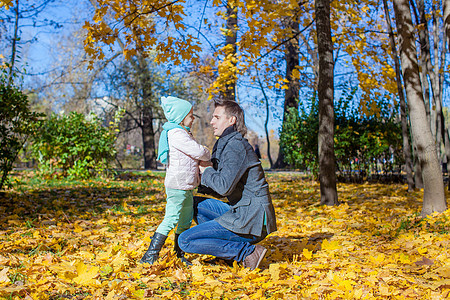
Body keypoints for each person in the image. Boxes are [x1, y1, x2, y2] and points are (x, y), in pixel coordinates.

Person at [178, 100, 277, 270]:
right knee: (194, 204)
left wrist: (207, 170)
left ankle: (247, 252)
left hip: (252, 219)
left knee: (185, 240)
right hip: (242, 212)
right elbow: (222, 189)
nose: (211, 122)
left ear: (231, 120)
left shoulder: (236, 146)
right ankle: (225, 255)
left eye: (217, 117)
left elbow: (223, 186)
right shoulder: (227, 144)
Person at [140, 96, 211, 265]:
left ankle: (179, 254)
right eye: (190, 115)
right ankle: (150, 255)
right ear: (181, 117)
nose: (193, 118)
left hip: (186, 186)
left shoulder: (183, 132)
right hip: (178, 185)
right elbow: (198, 152)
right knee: (171, 218)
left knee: (185, 219)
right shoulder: (176, 134)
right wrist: (206, 151)